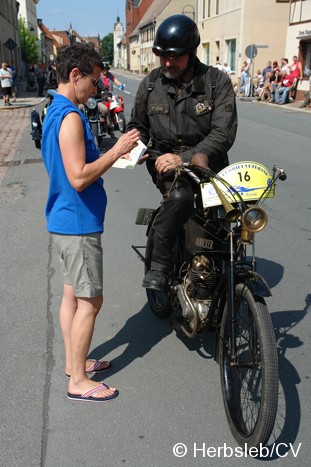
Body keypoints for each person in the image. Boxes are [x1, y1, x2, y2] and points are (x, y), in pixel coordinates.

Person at [41, 43, 140, 402]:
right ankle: (78, 381)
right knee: (91, 301)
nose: (96, 89)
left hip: (67, 219)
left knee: (72, 294)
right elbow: (79, 177)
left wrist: (118, 157)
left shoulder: (57, 110)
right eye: (93, 82)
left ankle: (74, 363)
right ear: (74, 76)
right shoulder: (69, 117)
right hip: (78, 223)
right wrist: (115, 152)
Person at [127, 14, 237, 291]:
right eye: (161, 55)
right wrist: (136, 148)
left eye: (173, 56)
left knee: (228, 221)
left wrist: (186, 158)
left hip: (209, 164)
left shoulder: (216, 83)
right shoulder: (151, 84)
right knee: (180, 197)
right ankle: (160, 266)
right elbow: (137, 126)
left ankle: (224, 280)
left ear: (191, 52)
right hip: (165, 163)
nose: (166, 62)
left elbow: (223, 133)